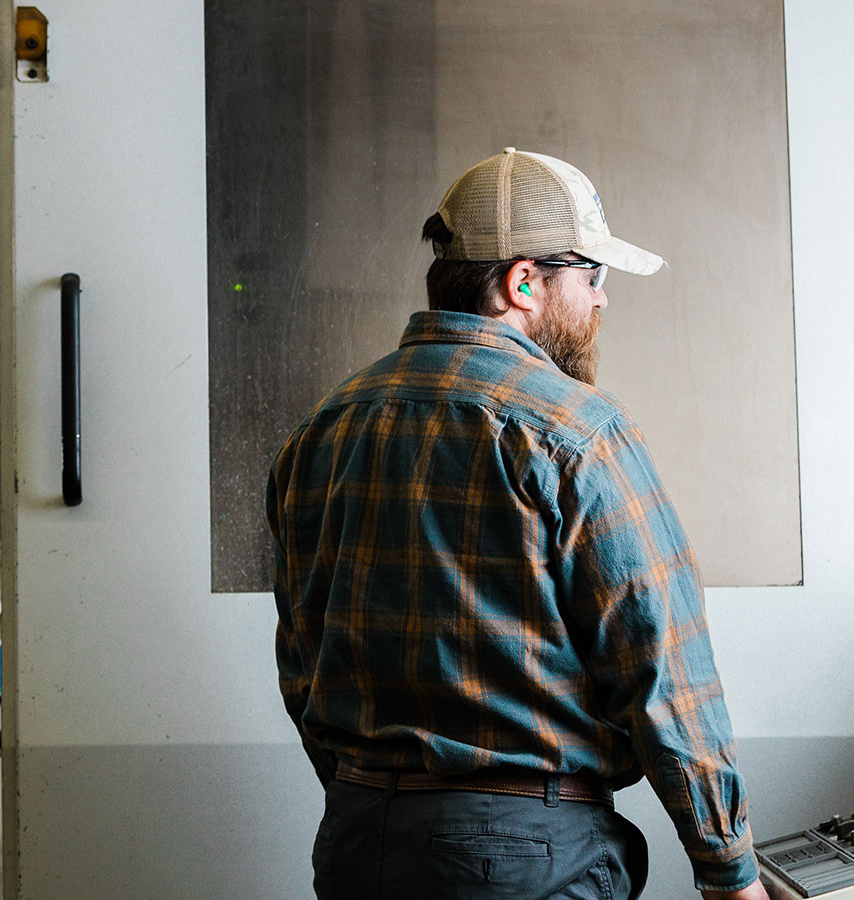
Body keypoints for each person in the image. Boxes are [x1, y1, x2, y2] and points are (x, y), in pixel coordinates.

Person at [268, 147, 770, 900]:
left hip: (359, 844)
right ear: (523, 282)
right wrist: (729, 871)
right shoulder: (577, 432)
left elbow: (303, 664)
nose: (601, 301)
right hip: (530, 858)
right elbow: (662, 670)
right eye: (591, 277)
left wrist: (382, 797)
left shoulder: (323, 430)